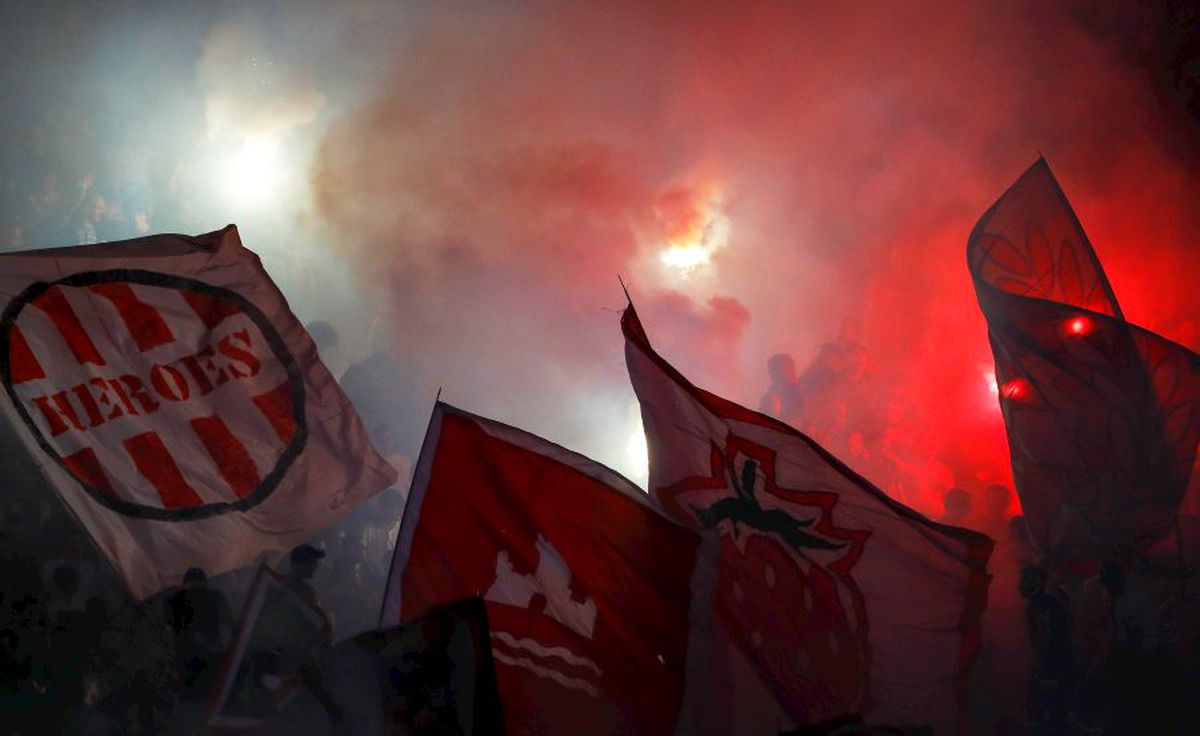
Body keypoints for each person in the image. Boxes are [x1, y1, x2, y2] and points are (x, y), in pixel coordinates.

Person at [1020, 564, 1077, 735]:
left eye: (1024, 579)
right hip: (1056, 669)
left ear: (1036, 582)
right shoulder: (1044, 603)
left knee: (1050, 714)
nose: (1019, 585)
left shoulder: (1041, 606)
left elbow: (1045, 640)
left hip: (1053, 670)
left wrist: (1041, 671)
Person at [165, 567, 234, 697]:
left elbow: (168, 631)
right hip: (211, 659)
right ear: (204, 581)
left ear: (185, 582)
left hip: (184, 661)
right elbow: (229, 625)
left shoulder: (172, 601)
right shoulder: (215, 597)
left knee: (189, 701)